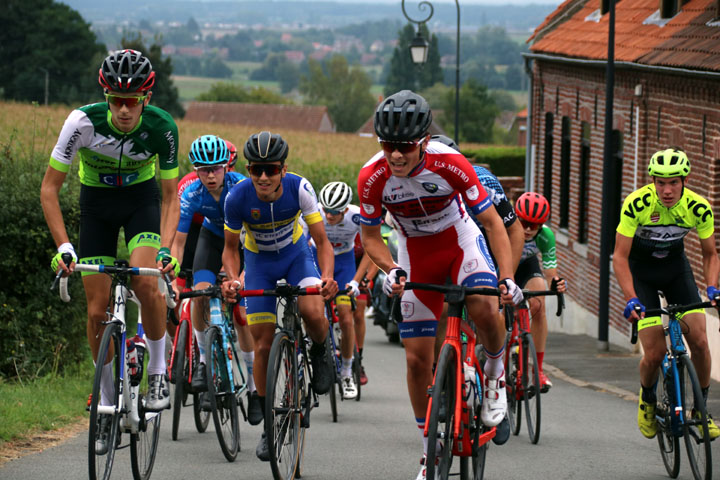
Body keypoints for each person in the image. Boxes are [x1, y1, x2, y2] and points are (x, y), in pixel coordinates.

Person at [357, 90, 522, 480]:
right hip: (416, 251)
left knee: (483, 306)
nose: (396, 155)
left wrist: (507, 276)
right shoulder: (372, 176)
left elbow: (495, 224)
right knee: (415, 358)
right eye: (388, 146)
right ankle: (428, 452)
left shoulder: (451, 164)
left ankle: (496, 373)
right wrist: (391, 269)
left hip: (458, 241)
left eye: (406, 147)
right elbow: (370, 237)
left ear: (424, 142)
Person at [41, 49, 180, 429]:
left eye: (131, 102)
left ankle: (155, 371)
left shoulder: (161, 127)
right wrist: (64, 247)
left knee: (145, 281)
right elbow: (50, 190)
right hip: (97, 205)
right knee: (95, 309)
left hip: (141, 203)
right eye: (116, 100)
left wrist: (167, 248)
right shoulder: (80, 123)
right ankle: (104, 399)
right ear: (106, 96)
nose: (123, 110)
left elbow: (170, 197)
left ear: (145, 100)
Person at [221, 131, 338, 461]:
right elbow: (230, 250)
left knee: (313, 312)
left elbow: (323, 241)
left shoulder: (299, 189)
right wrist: (232, 279)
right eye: (255, 169)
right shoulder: (237, 198)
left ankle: (319, 349)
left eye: (270, 169)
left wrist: (327, 278)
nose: (262, 177)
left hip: (296, 256)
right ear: (248, 169)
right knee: (263, 343)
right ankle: (266, 419)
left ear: (283, 169)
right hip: (258, 263)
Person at [613, 147, 720, 440]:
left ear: (685, 180)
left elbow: (710, 254)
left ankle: (700, 409)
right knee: (655, 351)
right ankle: (647, 399)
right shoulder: (637, 204)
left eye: (673, 182)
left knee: (699, 340)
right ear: (652, 181)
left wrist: (712, 287)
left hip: (675, 270)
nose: (667, 190)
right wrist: (630, 297)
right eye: (660, 182)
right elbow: (619, 258)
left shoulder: (698, 207)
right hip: (641, 272)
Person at [169, 135, 260, 422]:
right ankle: (204, 362)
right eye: (202, 169)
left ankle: (255, 387)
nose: (209, 175)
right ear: (195, 170)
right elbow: (180, 242)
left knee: (242, 314)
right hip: (211, 240)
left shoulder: (243, 189)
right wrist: (172, 274)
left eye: (216, 168)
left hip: (245, 242)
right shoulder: (192, 194)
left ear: (227, 167)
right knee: (200, 293)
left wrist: (243, 276)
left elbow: (257, 239)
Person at [315, 181, 374, 399]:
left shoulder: (356, 216)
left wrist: (357, 281)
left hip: (344, 264)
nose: (329, 216)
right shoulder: (314, 213)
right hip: (317, 260)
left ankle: (348, 372)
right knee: (310, 311)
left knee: (347, 318)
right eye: (326, 211)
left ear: (346, 209)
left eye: (335, 212)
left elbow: (371, 250)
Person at [513, 192, 566, 392]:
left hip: (526, 265)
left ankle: (537, 369)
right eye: (524, 222)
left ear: (541, 225)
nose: (527, 229)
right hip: (502, 264)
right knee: (496, 309)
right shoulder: (506, 227)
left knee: (539, 304)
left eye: (533, 225)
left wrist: (556, 284)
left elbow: (551, 273)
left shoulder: (546, 236)